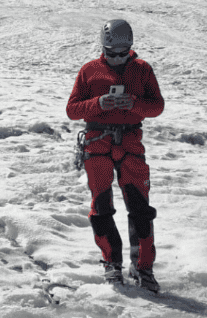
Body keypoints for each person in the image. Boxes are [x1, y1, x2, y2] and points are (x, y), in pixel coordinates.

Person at [66, 19, 165, 292]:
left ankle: (143, 268)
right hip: (97, 145)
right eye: (112, 53)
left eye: (124, 53)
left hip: (131, 144)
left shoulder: (142, 70)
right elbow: (72, 110)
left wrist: (134, 103)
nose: (118, 59)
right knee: (101, 207)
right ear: (103, 48)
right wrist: (98, 104)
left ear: (131, 49)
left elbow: (157, 106)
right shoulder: (89, 71)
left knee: (141, 209)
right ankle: (112, 264)